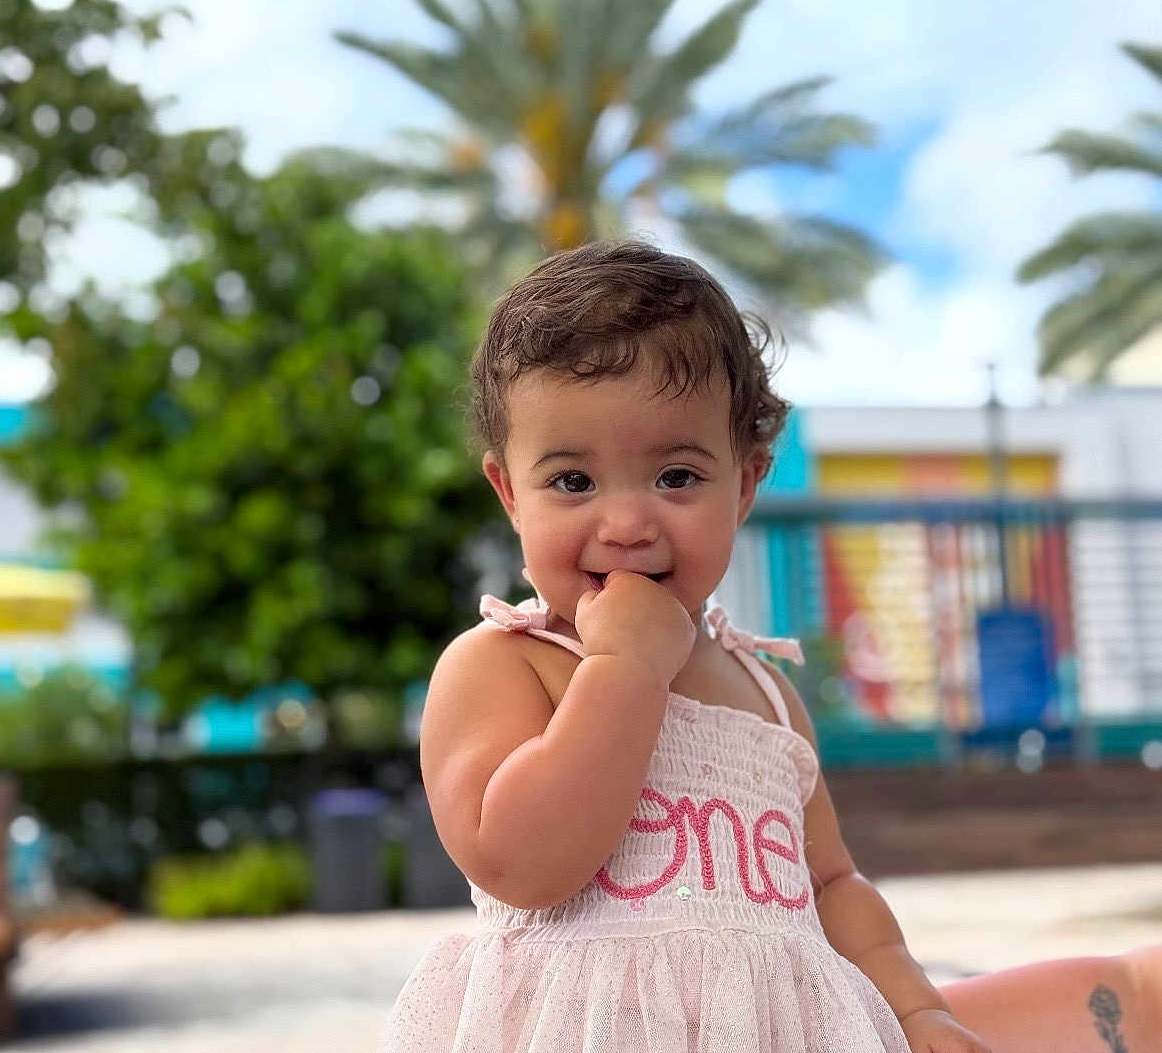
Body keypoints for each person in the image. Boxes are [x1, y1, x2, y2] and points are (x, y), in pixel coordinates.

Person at [381, 239, 1161, 1052]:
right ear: (509, 490)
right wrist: (622, 669)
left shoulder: (764, 692)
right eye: (572, 481)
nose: (625, 523)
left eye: (676, 476)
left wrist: (918, 1007)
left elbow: (831, 883)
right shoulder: (504, 662)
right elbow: (518, 861)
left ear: (745, 481)